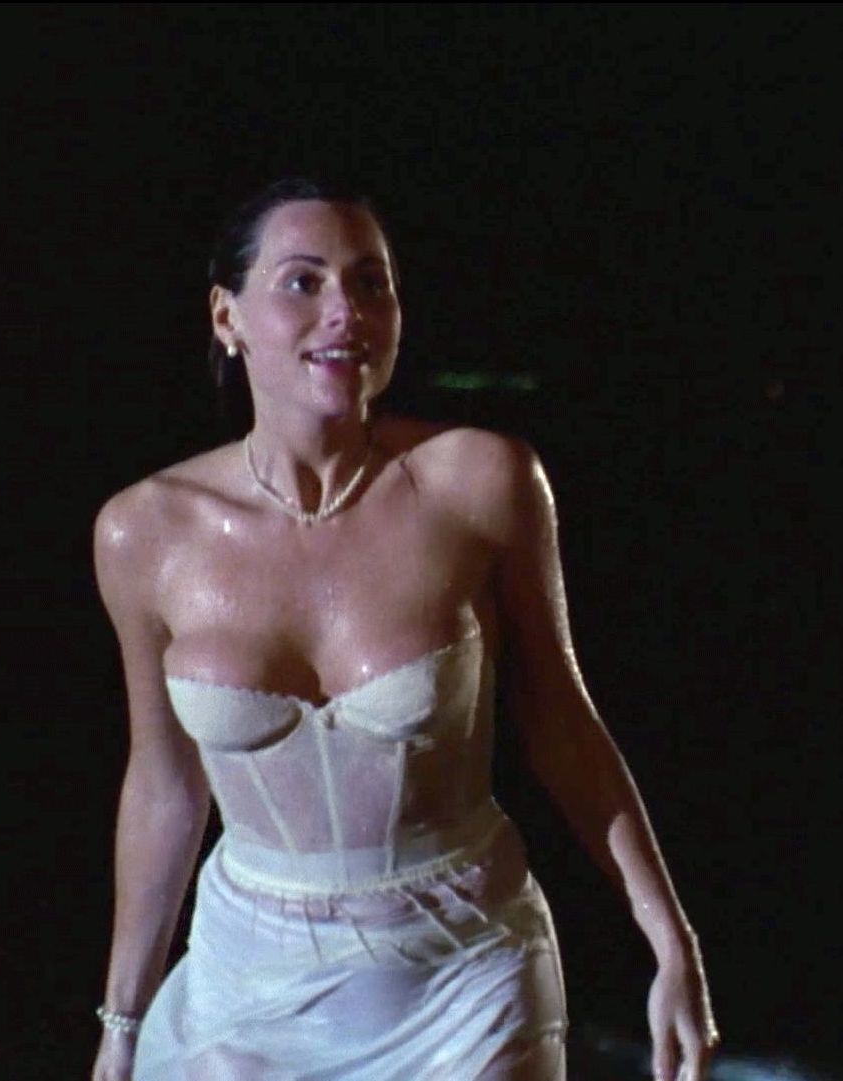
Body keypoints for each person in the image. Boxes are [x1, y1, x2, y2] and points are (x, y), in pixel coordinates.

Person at [88, 178, 717, 1081]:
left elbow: (563, 723)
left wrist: (670, 942)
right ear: (227, 317)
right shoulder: (143, 531)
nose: (344, 312)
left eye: (369, 283)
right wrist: (122, 1023)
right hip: (247, 982)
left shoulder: (480, 482)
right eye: (302, 282)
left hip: (464, 968)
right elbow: (165, 783)